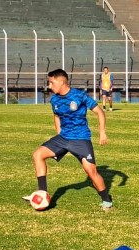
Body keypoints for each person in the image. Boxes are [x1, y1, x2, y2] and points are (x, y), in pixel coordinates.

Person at [23, 69, 113, 211]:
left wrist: (102, 133)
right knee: (38, 155)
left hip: (81, 139)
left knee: (91, 171)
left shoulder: (79, 95)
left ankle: (106, 201)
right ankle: (42, 193)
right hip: (63, 138)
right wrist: (58, 133)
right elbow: (57, 116)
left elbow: (99, 112)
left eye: (52, 83)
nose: (49, 86)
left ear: (61, 82)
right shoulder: (54, 99)